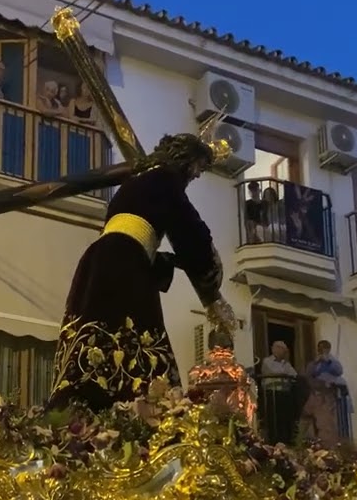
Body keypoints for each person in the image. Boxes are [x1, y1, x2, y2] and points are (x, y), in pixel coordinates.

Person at [48, 133, 234, 411]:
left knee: (92, 336)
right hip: (125, 262)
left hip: (100, 260)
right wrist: (212, 290)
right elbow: (191, 235)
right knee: (139, 340)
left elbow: (138, 231)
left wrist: (168, 263)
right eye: (198, 167)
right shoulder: (167, 180)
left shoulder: (136, 181)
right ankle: (140, 407)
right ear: (186, 160)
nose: (196, 175)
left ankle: (82, 403)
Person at [302, 340, 347, 446]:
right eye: (320, 348)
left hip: (326, 395)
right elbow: (307, 374)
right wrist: (316, 363)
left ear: (328, 349)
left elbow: (339, 371)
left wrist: (328, 361)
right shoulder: (314, 362)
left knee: (326, 423)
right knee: (305, 419)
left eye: (324, 348)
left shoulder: (333, 361)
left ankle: (328, 447)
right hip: (314, 394)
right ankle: (307, 443)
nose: (322, 350)